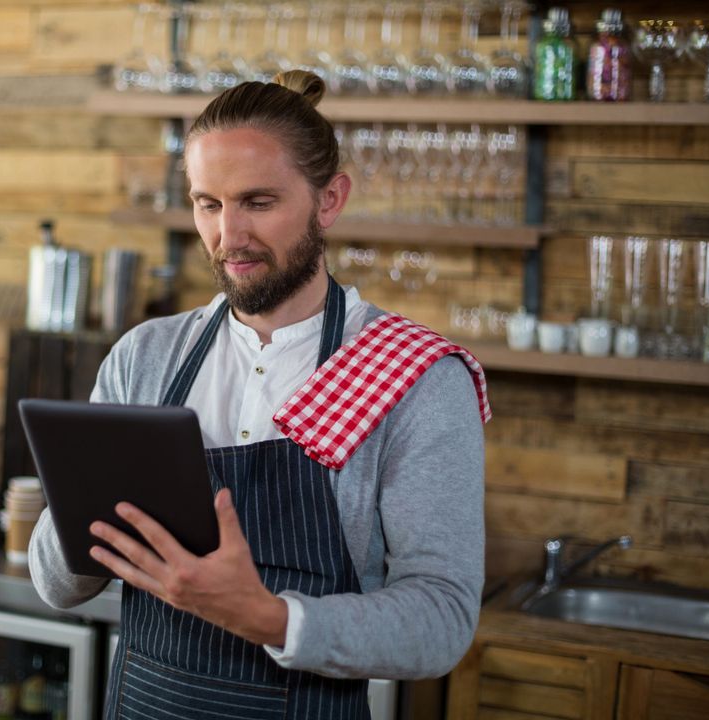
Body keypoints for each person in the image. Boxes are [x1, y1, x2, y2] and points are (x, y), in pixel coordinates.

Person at [30, 70, 489, 719]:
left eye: (258, 202)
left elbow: (441, 621)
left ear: (329, 200)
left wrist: (271, 618)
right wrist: (80, 493)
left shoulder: (415, 376)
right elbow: (56, 586)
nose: (228, 236)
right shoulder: (147, 358)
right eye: (208, 204)